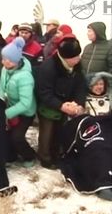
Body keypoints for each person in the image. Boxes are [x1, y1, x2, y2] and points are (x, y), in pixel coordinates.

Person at [36, 34, 87, 169]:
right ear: (66, 57)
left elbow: (81, 85)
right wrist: (61, 105)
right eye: (75, 57)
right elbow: (44, 93)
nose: (79, 59)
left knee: (60, 131)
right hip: (49, 105)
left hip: (68, 103)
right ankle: (45, 158)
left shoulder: (76, 65)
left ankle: (57, 155)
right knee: (47, 133)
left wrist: (78, 102)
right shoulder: (48, 67)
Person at [0, 37, 37, 167]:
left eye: (5, 59)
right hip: (9, 108)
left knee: (17, 137)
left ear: (14, 60)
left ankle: (29, 156)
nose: (2, 61)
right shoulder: (5, 68)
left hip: (25, 112)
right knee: (6, 135)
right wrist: (0, 103)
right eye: (3, 58)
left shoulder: (25, 77)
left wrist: (6, 113)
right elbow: (1, 86)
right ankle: (12, 154)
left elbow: (26, 102)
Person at [81, 22, 112, 87]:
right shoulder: (87, 47)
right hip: (85, 85)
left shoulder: (109, 47)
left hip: (101, 87)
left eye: (90, 31)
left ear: (97, 32)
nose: (87, 34)